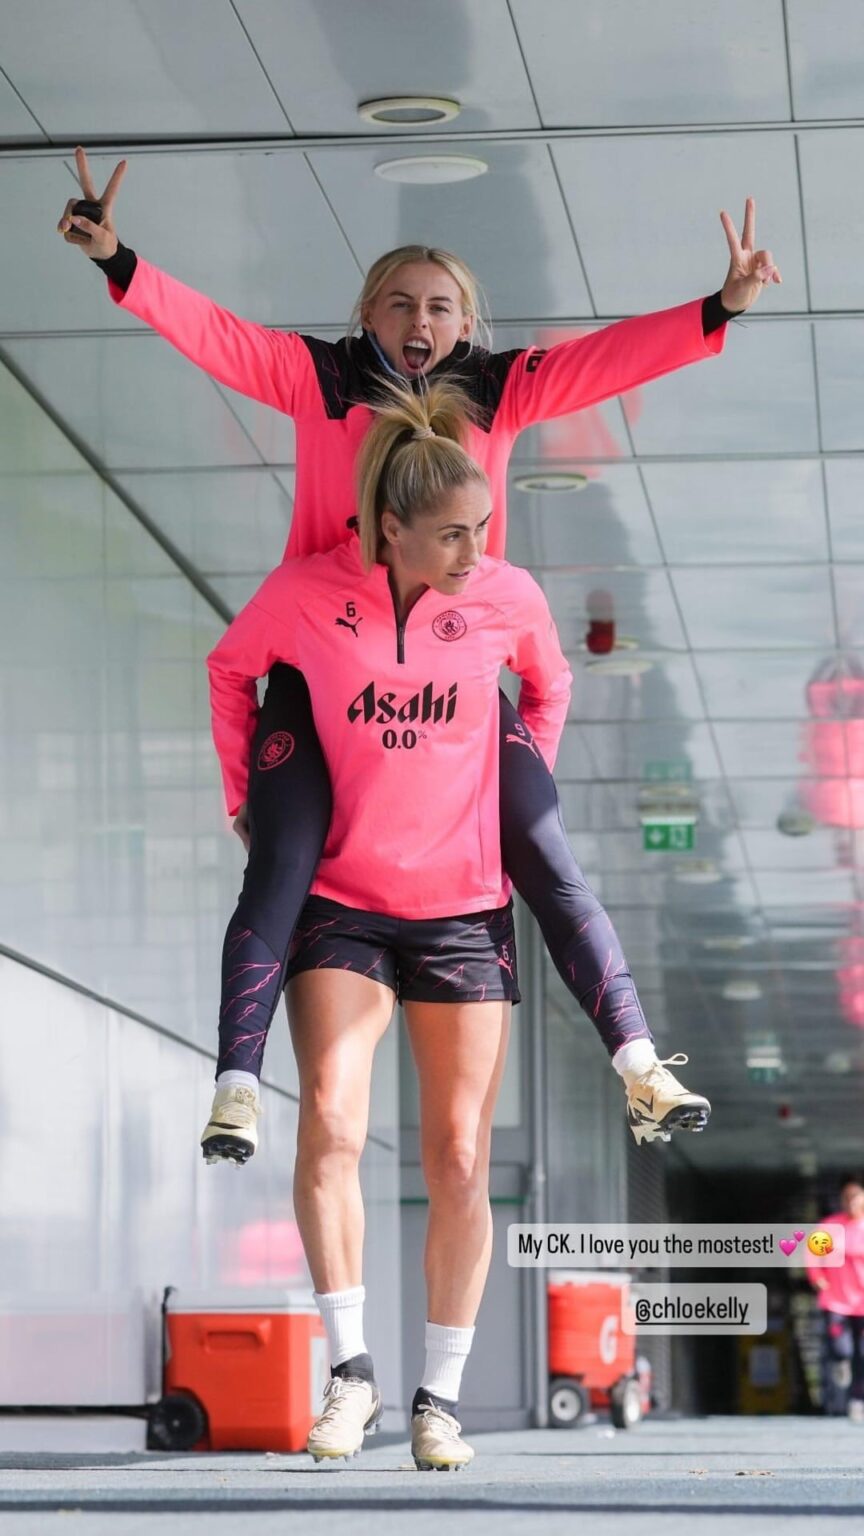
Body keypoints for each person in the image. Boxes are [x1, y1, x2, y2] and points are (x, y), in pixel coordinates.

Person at [58, 150, 779, 1156]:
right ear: (369, 316)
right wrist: (120, 260)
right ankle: (237, 1087)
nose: (418, 322)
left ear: (466, 325)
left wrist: (723, 305)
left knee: (546, 857)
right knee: (281, 867)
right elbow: (217, 338)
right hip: (327, 663)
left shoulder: (502, 391)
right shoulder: (321, 380)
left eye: (440, 306)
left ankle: (641, 1067)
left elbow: (610, 360)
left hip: (450, 676)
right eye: (398, 304)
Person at [206, 379, 701, 1467]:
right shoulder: (305, 593)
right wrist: (246, 794)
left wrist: (520, 786)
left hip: (464, 910)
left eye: (481, 529)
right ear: (391, 528)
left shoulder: (507, 597)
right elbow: (231, 670)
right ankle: (351, 1379)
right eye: (451, 535)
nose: (475, 551)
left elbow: (552, 682)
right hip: (343, 902)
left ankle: (440, 1395)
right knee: (332, 1121)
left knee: (461, 1155)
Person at [805, 1179, 864, 1420]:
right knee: (843, 1349)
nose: (851, 1201)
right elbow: (812, 1256)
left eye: (856, 1196)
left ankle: (857, 1400)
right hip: (836, 1299)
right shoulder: (829, 1228)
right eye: (847, 1197)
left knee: (863, 1355)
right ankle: (841, 1363)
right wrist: (817, 1277)